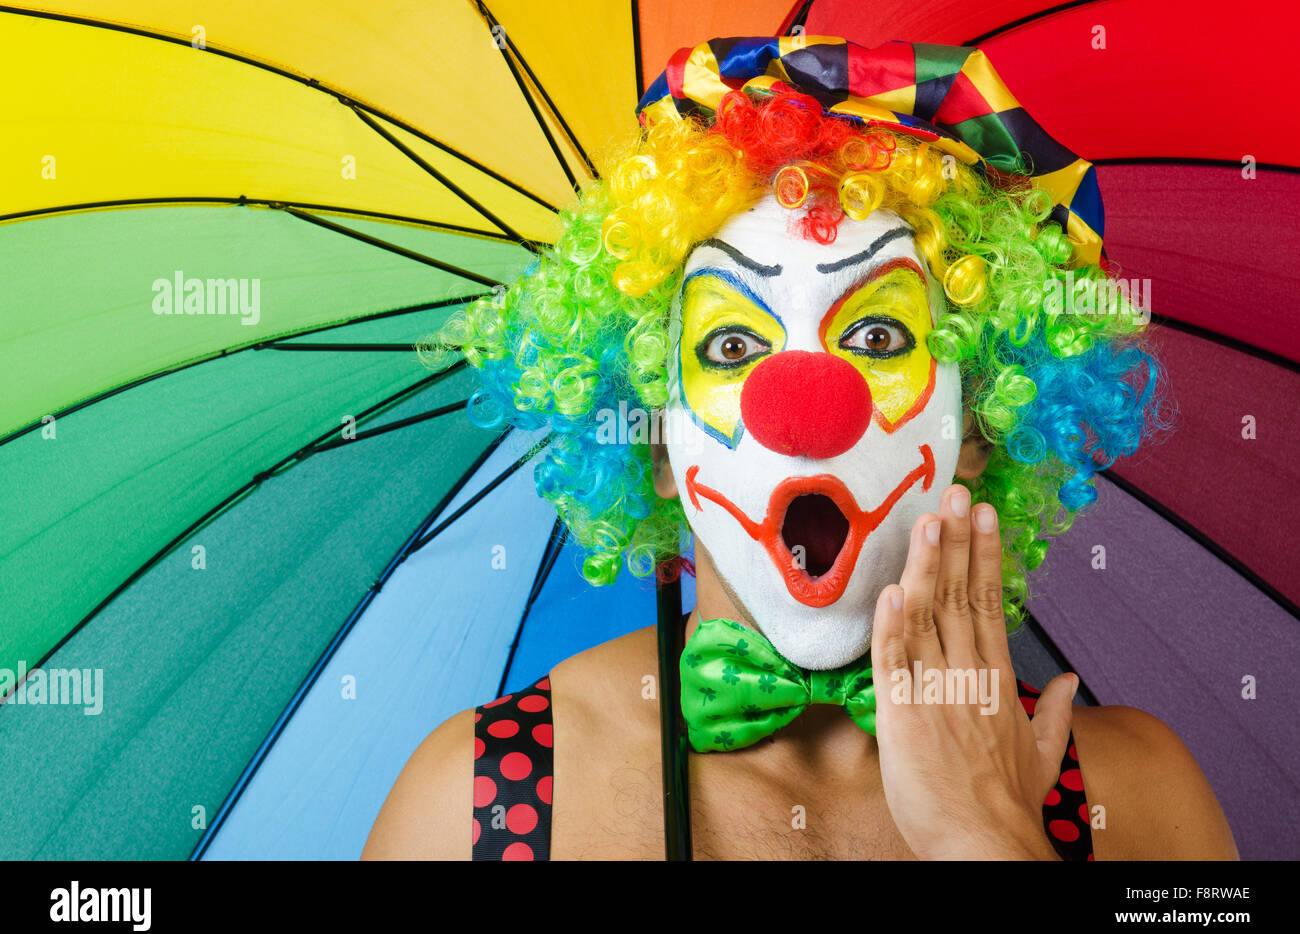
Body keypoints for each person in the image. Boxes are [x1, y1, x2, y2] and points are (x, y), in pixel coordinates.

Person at [362, 36, 1237, 861]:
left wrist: (994, 836)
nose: (807, 406)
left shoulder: (1141, 799)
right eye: (732, 346)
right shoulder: (477, 806)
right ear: (657, 443)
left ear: (980, 421)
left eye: (882, 337)